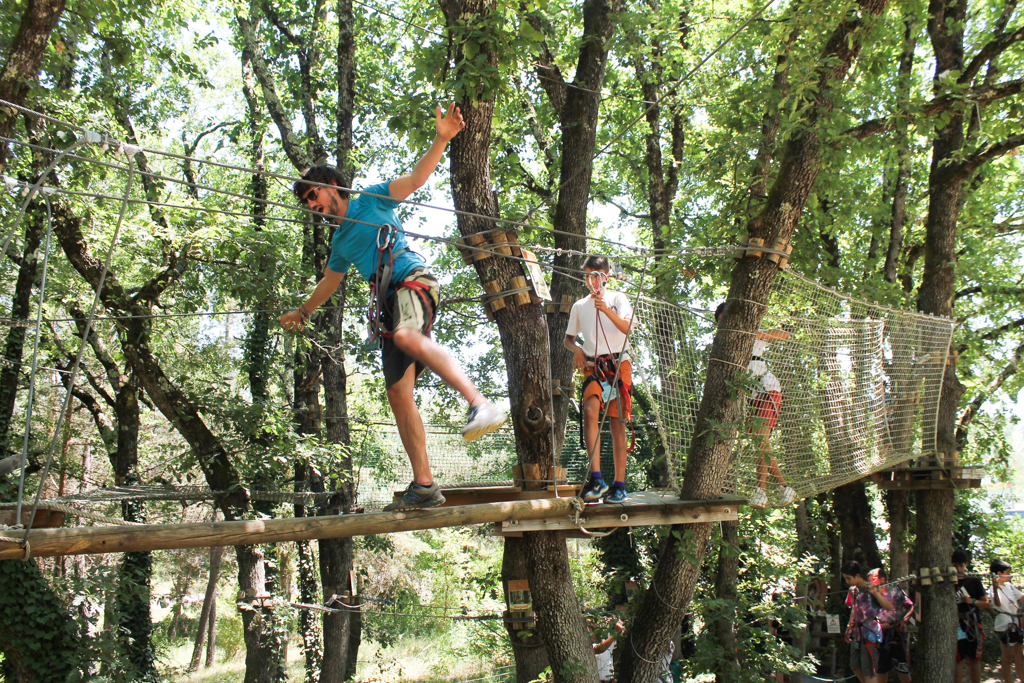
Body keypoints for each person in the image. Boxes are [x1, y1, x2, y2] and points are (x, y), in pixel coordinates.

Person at [280, 103, 506, 511]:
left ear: (331, 184)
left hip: (413, 282)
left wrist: (441, 138)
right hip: (388, 305)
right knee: (399, 394)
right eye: (308, 205)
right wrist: (303, 312)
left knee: (407, 334)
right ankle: (425, 486)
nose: (314, 206)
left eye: (314, 196)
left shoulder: (371, 199)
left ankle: (480, 403)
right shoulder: (340, 243)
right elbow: (330, 283)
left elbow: (416, 180)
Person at [565, 256, 638, 504]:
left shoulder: (618, 299)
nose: (592, 280)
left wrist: (605, 309)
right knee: (589, 412)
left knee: (617, 422)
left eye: (597, 274)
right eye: (588, 275)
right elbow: (569, 338)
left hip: (618, 362)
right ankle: (596, 478)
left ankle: (620, 484)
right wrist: (576, 350)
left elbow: (627, 329)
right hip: (593, 363)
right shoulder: (579, 306)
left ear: (606, 275)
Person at [714, 303, 796, 509]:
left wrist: (758, 335)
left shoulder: (751, 332)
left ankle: (762, 491)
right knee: (762, 443)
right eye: (720, 320)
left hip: (768, 390)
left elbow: (785, 335)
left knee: (761, 440)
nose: (724, 322)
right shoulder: (723, 343)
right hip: (751, 398)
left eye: (726, 317)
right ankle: (784, 487)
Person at [842, 560, 894, 683]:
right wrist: (849, 628)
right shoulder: (853, 590)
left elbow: (889, 607)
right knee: (855, 666)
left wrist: (875, 593)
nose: (847, 581)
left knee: (869, 671)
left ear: (858, 576)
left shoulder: (873, 589)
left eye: (848, 578)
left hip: (870, 635)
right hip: (857, 634)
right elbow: (854, 610)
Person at [869, 567, 914, 683]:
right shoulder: (871, 596)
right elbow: (868, 615)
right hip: (880, 638)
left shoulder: (897, 592)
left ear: (882, 579)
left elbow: (911, 606)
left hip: (897, 636)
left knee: (902, 669)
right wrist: (878, 624)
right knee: (881, 669)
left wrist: (904, 620)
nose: (870, 582)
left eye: (872, 579)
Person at [953, 549, 990, 683]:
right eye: (955, 565)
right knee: (958, 659)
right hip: (955, 624)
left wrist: (972, 601)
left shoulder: (974, 581)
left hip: (973, 624)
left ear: (966, 564)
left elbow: (986, 603)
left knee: (974, 658)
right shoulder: (947, 582)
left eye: (960, 565)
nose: (957, 569)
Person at [990, 559, 1024, 683]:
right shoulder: (993, 588)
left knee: (1020, 655)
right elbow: (997, 603)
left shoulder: (1009, 586)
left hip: (1015, 623)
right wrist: (995, 587)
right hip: (1004, 625)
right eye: (1007, 573)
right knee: (1008, 657)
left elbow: (1022, 597)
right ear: (999, 574)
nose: (1009, 575)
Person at [590, 617, 625, 683]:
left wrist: (618, 624)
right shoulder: (584, 641)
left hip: (610, 681)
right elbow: (599, 649)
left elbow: (619, 636)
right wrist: (615, 633)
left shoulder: (607, 637)